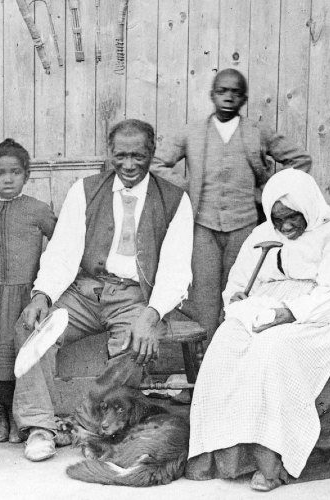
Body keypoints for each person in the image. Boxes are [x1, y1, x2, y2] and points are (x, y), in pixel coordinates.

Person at [13, 119, 194, 462]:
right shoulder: (85, 190)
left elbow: (176, 268)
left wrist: (152, 315)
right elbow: (63, 251)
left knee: (134, 346)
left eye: (138, 156)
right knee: (30, 328)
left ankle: (86, 423)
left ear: (152, 154)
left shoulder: (174, 200)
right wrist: (43, 295)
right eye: (121, 155)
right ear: (110, 153)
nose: (128, 165)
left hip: (136, 297)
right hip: (85, 291)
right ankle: (41, 427)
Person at [185, 169, 330, 492]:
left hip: (319, 316)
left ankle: (272, 463)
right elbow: (238, 284)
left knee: (272, 350)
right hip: (264, 308)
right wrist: (238, 300)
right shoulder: (261, 235)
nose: (286, 226)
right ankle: (220, 455)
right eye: (278, 219)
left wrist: (288, 313)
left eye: (293, 217)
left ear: (309, 207)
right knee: (224, 345)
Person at [151, 69, 311, 356]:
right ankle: (208, 356)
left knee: (242, 290)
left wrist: (269, 193)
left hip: (245, 225)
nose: (228, 97)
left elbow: (300, 159)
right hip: (203, 225)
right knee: (206, 295)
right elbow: (157, 164)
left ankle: (239, 353)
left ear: (244, 98)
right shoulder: (192, 132)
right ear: (212, 95)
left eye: (235, 92)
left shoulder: (257, 132)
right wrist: (187, 188)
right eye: (222, 91)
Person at [0, 139, 56, 443]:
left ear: (26, 175)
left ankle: (22, 417)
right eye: (0, 172)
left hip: (24, 296)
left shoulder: (39, 210)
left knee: (23, 358)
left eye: (14, 172)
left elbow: (62, 245)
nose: (7, 178)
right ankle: (0, 413)